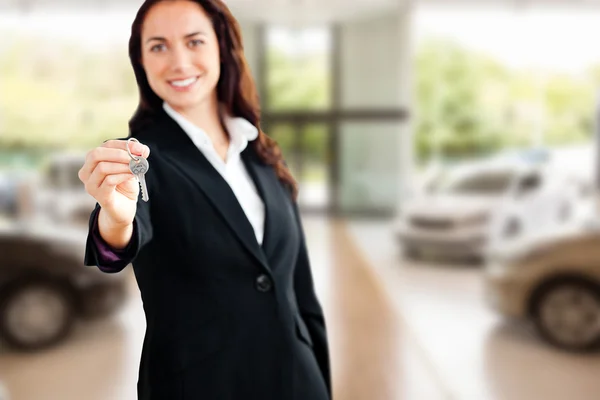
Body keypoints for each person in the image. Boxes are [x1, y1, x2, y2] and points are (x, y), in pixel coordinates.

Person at [77, 0, 331, 399]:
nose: (178, 61)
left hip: (298, 380)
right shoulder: (138, 156)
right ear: (141, 61)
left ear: (221, 47)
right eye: (158, 46)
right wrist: (116, 218)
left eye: (194, 41)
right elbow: (117, 243)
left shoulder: (263, 153)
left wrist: (320, 380)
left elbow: (301, 293)